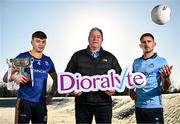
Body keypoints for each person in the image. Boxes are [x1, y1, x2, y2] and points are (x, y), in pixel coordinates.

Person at [65, 27, 122, 124]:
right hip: (82, 104)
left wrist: (114, 89)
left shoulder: (110, 57)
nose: (95, 38)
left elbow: (119, 76)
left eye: (98, 37)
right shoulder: (77, 56)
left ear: (102, 40)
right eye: (92, 36)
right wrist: (72, 89)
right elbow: (67, 75)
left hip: (104, 104)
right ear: (88, 38)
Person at [3, 31, 57, 124]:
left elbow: (56, 79)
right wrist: (14, 76)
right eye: (38, 41)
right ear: (31, 42)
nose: (41, 44)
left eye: (43, 42)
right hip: (24, 101)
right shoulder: (23, 56)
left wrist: (51, 94)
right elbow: (5, 78)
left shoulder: (47, 60)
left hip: (41, 104)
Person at [130, 33, 173, 124]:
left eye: (149, 41)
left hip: (154, 107)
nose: (146, 44)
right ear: (140, 45)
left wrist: (166, 78)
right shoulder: (136, 62)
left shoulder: (161, 61)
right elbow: (132, 80)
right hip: (139, 106)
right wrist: (131, 91)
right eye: (143, 42)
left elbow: (166, 87)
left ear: (154, 44)